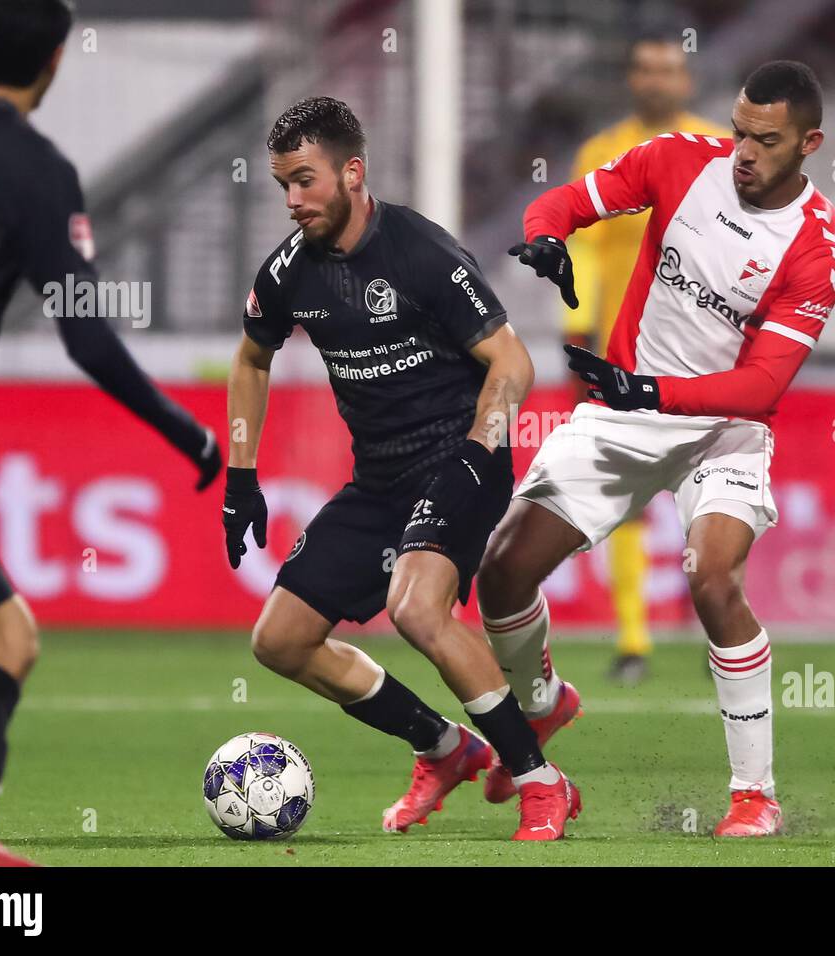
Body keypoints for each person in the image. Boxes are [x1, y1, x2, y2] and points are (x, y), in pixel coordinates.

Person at [479, 61, 835, 837]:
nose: (744, 152)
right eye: (741, 131)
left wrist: (650, 392)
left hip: (719, 429)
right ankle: (544, 707)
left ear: (810, 143)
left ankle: (756, 796)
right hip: (625, 409)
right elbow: (566, 201)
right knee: (502, 571)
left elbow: (758, 389)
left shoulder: (818, 249)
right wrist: (546, 237)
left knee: (713, 579)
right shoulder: (681, 159)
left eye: (767, 141)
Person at [0, 0, 219, 867]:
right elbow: (84, 329)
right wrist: (181, 427)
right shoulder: (33, 170)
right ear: (57, 60)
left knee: (6, 638)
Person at [223, 96, 579, 841]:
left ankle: (542, 782)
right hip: (380, 479)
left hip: (462, 454)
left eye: (305, 181)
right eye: (282, 184)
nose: (292, 200)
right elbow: (253, 356)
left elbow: (511, 360)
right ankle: (444, 747)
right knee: (279, 641)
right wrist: (240, 474)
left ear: (353, 173)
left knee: (417, 607)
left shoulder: (420, 252)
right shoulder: (289, 272)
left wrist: (482, 444)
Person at [565, 32, 729, 686]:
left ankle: (717, 625)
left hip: (701, 354)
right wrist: (575, 330)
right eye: (645, 68)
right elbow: (579, 246)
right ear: (632, 78)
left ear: (686, 79)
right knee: (626, 497)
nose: (656, 80)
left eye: (668, 69)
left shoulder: (720, 152)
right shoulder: (601, 153)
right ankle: (634, 640)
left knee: (712, 496)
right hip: (621, 357)